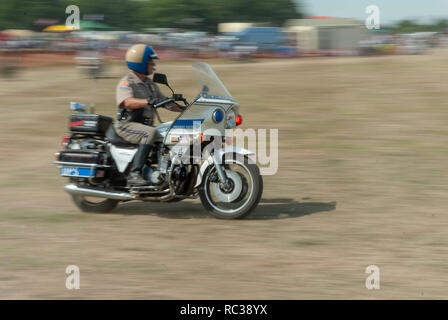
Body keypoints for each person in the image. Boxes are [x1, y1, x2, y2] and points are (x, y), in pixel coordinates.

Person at [115, 44, 183, 186]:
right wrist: (147, 101)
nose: (154, 65)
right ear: (140, 63)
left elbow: (165, 103)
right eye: (151, 61)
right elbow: (127, 102)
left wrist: (185, 109)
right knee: (150, 133)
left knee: (171, 135)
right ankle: (135, 174)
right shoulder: (127, 82)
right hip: (126, 125)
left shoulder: (150, 84)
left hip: (143, 125)